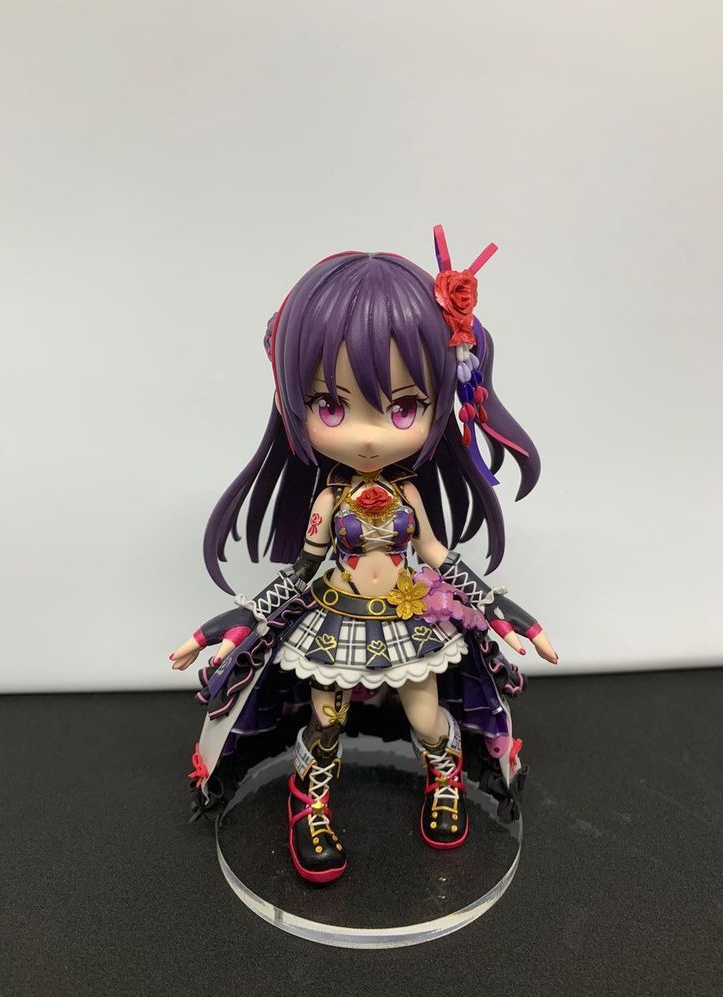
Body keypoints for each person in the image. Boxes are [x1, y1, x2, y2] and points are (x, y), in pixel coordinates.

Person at [170, 227, 557, 884]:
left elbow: (436, 555)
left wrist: (500, 610)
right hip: (337, 620)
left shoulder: (409, 496)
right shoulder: (329, 502)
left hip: (408, 618)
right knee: (325, 721)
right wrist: (232, 623)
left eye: (404, 407)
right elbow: (301, 572)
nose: (368, 435)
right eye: (330, 404)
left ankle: (445, 777)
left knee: (427, 718)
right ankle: (309, 803)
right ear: (293, 401)